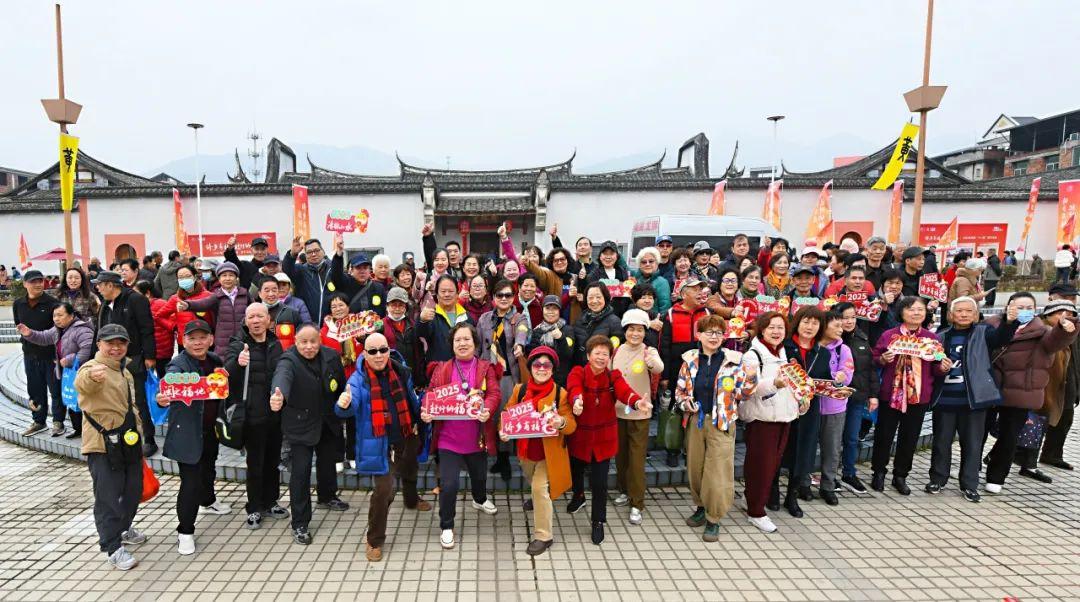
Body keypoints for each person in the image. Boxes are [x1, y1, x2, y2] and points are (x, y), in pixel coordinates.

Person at [338, 333, 430, 562]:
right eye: (372, 351)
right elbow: (348, 405)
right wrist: (343, 405)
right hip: (379, 442)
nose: (378, 355)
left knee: (410, 469)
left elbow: (411, 398)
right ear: (364, 353)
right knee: (384, 491)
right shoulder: (357, 380)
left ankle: (411, 500)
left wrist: (420, 416)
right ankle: (374, 539)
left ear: (389, 350)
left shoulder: (400, 370)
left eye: (383, 349)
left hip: (406, 432)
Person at [983, 292, 1076, 494]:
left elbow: (1055, 341)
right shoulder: (991, 324)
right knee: (978, 433)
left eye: (1029, 308)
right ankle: (970, 469)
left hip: (1021, 392)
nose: (1024, 311)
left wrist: (1064, 330)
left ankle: (996, 477)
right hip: (989, 389)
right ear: (1008, 307)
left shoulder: (1042, 331)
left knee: (1009, 437)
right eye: (1019, 307)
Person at [927, 296, 1018, 502]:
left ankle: (969, 485)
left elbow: (1001, 338)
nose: (964, 314)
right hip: (945, 400)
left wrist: (1009, 321)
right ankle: (937, 479)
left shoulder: (984, 332)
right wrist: (939, 368)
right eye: (959, 311)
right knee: (941, 442)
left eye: (969, 311)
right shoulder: (941, 336)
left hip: (973, 401)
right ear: (951, 314)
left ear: (976, 314)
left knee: (972, 444)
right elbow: (932, 365)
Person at [676, 314, 756, 541]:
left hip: (722, 423)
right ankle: (701, 507)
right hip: (696, 421)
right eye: (709, 332)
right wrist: (685, 403)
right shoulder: (689, 361)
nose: (714, 337)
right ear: (699, 335)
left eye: (719, 333)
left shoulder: (734, 361)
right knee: (696, 468)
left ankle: (714, 517)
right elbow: (680, 391)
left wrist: (751, 379)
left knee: (718, 471)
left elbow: (743, 394)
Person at [420, 323, 501, 550]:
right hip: (449, 438)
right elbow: (430, 395)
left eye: (467, 339)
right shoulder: (442, 368)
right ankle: (446, 526)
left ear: (475, 343)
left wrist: (487, 408)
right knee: (449, 484)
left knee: (479, 476)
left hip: (477, 437)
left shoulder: (485, 367)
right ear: (452, 344)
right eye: (458, 340)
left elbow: (494, 393)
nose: (462, 343)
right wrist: (427, 411)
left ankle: (479, 499)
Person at [74, 324, 146, 570]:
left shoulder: (124, 370)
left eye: (121, 343)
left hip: (128, 441)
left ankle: (123, 528)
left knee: (133, 489)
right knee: (108, 497)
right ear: (99, 345)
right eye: (110, 343)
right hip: (102, 444)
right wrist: (92, 377)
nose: (116, 348)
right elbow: (83, 383)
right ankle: (112, 546)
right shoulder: (92, 368)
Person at [156, 319, 231, 556]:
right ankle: (185, 531)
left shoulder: (215, 360)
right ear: (183, 340)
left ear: (211, 339)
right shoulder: (178, 364)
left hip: (210, 429)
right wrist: (163, 396)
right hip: (187, 433)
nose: (198, 343)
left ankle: (208, 501)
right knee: (190, 483)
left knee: (208, 468)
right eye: (192, 338)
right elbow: (169, 383)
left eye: (202, 337)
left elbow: (221, 388)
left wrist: (225, 377)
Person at [270, 324, 349, 545]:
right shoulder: (288, 360)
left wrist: (345, 398)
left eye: (313, 341)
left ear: (320, 341)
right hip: (300, 424)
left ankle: (327, 496)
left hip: (327, 419)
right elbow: (282, 378)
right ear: (296, 342)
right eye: (303, 342)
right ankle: (300, 523)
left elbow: (341, 385)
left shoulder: (331, 355)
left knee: (327, 461)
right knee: (301, 473)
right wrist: (279, 396)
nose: (308, 346)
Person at [566, 335, 643, 545]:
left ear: (610, 357)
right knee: (576, 471)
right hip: (580, 436)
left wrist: (637, 403)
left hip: (603, 438)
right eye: (597, 353)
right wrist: (576, 400)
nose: (601, 357)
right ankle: (578, 496)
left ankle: (598, 521)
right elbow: (574, 387)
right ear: (588, 355)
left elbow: (625, 391)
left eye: (605, 354)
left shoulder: (613, 376)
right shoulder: (578, 372)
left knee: (599, 483)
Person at [500, 346, 576, 556]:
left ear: (553, 369)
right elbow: (507, 413)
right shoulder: (520, 390)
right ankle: (536, 499)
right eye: (537, 364)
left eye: (547, 365)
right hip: (526, 452)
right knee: (532, 480)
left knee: (540, 487)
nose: (541, 369)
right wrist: (503, 430)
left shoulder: (560, 393)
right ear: (530, 367)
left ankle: (544, 536)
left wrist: (561, 422)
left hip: (549, 454)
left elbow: (571, 425)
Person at [870, 296, 944, 495]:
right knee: (884, 435)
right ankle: (878, 472)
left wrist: (943, 367)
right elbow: (875, 358)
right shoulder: (889, 335)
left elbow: (937, 364)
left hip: (918, 396)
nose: (916, 313)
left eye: (920, 309)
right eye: (911, 309)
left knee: (909, 437)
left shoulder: (931, 339)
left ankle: (901, 475)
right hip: (891, 394)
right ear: (901, 313)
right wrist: (882, 359)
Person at [223, 303, 287, 529]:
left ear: (269, 320)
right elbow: (225, 374)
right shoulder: (238, 343)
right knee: (255, 463)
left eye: (260, 316)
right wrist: (237, 363)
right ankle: (254, 507)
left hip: (274, 414)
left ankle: (271, 501)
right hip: (252, 416)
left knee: (272, 461)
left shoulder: (275, 343)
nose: (256, 321)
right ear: (246, 321)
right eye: (251, 317)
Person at [739, 312, 799, 533]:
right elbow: (750, 387)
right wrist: (775, 383)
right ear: (762, 330)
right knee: (761, 466)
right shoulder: (752, 355)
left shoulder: (783, 352)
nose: (776, 332)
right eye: (771, 327)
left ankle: (751, 499)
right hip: (762, 418)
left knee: (771, 465)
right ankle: (756, 512)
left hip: (783, 416)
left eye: (780, 328)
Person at [95, 270, 158, 456]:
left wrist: (149, 356)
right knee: (116, 399)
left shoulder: (136, 300)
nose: (97, 288)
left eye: (100, 284)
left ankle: (149, 439)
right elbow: (99, 333)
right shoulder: (105, 304)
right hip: (110, 361)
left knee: (138, 400)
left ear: (110, 285)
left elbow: (147, 329)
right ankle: (124, 437)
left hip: (133, 358)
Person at [611, 309, 664, 526]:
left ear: (645, 332)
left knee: (636, 460)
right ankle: (624, 491)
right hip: (617, 411)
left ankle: (637, 503)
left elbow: (658, 367)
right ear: (625, 330)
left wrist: (651, 361)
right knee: (621, 457)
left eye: (640, 330)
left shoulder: (649, 351)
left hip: (640, 413)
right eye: (631, 329)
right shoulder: (616, 350)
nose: (635, 333)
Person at [778, 306, 831, 517]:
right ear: (797, 323)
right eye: (806, 321)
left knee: (803, 452)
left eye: (815, 323)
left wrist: (835, 384)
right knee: (779, 449)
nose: (810, 327)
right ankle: (772, 490)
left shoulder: (822, 352)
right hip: (783, 406)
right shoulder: (784, 347)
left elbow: (824, 380)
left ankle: (792, 496)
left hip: (809, 409)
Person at [477, 279, 531, 480]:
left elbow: (523, 333)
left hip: (508, 375)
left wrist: (519, 345)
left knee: (505, 416)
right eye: (499, 295)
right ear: (493, 297)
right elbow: (478, 346)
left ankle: (504, 458)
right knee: (488, 415)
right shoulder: (484, 319)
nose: (504, 298)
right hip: (486, 375)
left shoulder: (519, 318)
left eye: (508, 295)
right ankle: (487, 450)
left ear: (513, 297)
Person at [17, 302, 95, 438]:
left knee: (83, 402)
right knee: (72, 400)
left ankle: (90, 432)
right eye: (54, 316)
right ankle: (79, 430)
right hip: (70, 373)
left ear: (71, 316)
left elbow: (87, 351)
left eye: (60, 315)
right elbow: (44, 337)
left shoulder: (82, 330)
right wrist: (29, 333)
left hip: (82, 372)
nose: (56, 319)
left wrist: (69, 360)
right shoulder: (58, 329)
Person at [659, 276, 710, 466]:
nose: (699, 292)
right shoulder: (671, 314)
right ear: (684, 293)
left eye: (701, 289)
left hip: (702, 369)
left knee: (698, 408)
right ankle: (672, 449)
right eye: (695, 289)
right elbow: (664, 347)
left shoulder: (707, 313)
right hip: (676, 370)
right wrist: (664, 376)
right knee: (676, 409)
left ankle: (693, 450)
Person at [834, 302, 878, 495]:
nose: (850, 321)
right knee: (832, 439)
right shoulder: (830, 340)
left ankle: (849, 473)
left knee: (852, 438)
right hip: (834, 398)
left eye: (853, 317)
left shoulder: (862, 337)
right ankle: (829, 476)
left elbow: (870, 369)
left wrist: (873, 395)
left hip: (856, 396)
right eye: (845, 317)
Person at [14, 269, 62, 436]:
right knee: (35, 389)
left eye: (40, 281)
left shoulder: (53, 303)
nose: (38, 284)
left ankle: (58, 422)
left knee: (55, 391)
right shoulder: (18, 304)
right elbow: (19, 325)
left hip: (50, 356)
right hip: (30, 355)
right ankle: (39, 421)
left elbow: (58, 330)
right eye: (33, 282)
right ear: (25, 284)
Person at [813, 309, 854, 505]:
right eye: (836, 325)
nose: (841, 329)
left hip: (834, 407)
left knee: (832, 449)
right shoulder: (811, 346)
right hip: (809, 406)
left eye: (842, 325)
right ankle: (803, 483)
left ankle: (828, 486)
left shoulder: (843, 349)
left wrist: (841, 377)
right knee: (807, 446)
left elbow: (847, 374)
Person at [1040, 283, 1080, 470]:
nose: (1069, 302)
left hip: (1068, 376)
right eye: (1064, 298)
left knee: (1066, 416)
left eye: (1072, 298)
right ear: (1051, 298)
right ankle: (1015, 454)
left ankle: (1052, 454)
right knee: (1036, 419)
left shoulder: (1075, 324)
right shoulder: (1041, 324)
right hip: (1045, 378)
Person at [180, 262, 250, 354]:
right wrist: (188, 305)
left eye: (231, 275)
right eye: (224, 275)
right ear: (219, 279)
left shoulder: (245, 294)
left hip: (243, 339)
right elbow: (203, 304)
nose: (227, 278)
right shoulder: (217, 296)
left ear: (236, 278)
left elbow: (254, 309)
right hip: (223, 342)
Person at [417, 275, 471, 367]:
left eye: (451, 291)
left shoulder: (466, 316)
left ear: (457, 294)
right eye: (443, 291)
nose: (447, 294)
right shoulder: (430, 315)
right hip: (439, 370)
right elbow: (420, 334)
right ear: (437, 294)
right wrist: (422, 320)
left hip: (464, 368)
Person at [382, 286, 426, 386]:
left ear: (405, 307)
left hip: (412, 374)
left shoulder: (412, 324)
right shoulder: (380, 325)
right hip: (391, 375)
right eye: (393, 305)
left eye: (401, 305)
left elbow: (419, 353)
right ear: (387, 306)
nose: (397, 309)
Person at [571, 282, 623, 366]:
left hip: (600, 368)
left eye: (598, 297)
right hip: (580, 368)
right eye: (590, 297)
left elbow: (614, 350)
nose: (594, 301)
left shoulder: (614, 321)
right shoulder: (580, 318)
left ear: (605, 298)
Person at [283, 236, 334, 322]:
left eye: (317, 250)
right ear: (305, 255)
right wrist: (292, 254)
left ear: (323, 251)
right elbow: (287, 269)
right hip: (306, 322)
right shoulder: (301, 270)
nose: (313, 254)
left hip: (330, 323)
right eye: (309, 252)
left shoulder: (332, 270)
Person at [331, 241, 387, 317]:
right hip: (350, 324)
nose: (362, 271)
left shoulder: (378, 288)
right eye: (358, 268)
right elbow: (336, 273)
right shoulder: (345, 283)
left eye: (365, 268)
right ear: (351, 270)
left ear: (370, 270)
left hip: (374, 324)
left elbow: (383, 311)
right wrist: (339, 255)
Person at [527, 295, 574, 385]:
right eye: (547, 308)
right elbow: (532, 356)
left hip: (561, 381)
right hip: (541, 378)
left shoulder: (568, 330)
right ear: (543, 310)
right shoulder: (537, 331)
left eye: (554, 308)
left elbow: (568, 354)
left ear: (559, 311)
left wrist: (561, 338)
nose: (551, 312)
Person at [632, 247, 673, 314]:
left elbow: (665, 308)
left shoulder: (662, 282)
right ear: (639, 265)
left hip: (655, 319)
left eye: (651, 261)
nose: (647, 264)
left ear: (657, 263)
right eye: (644, 262)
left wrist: (659, 320)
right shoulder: (634, 280)